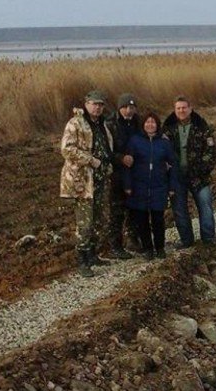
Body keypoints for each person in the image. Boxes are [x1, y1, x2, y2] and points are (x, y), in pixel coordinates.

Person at [60, 90, 114, 277]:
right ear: (86, 104)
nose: (98, 107)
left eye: (101, 104)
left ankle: (92, 254)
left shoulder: (101, 124)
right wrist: (90, 160)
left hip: (99, 180)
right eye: (94, 104)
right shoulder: (76, 123)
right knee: (85, 221)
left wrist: (107, 166)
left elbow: (107, 148)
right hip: (82, 180)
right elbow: (67, 149)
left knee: (99, 218)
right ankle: (82, 260)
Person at [162, 96, 216, 248]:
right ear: (175, 110)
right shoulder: (168, 128)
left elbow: (211, 153)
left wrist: (199, 170)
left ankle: (208, 238)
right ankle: (186, 240)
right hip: (176, 178)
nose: (181, 110)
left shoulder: (202, 127)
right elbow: (162, 153)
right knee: (179, 210)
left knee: (205, 206)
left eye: (184, 107)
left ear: (190, 109)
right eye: (178, 108)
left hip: (199, 177)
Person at [124, 111, 179, 259]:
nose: (150, 125)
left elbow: (173, 164)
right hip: (139, 186)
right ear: (143, 125)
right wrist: (128, 186)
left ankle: (160, 247)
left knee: (158, 219)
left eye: (153, 122)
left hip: (159, 186)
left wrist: (172, 187)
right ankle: (148, 248)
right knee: (141, 220)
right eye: (147, 122)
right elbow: (128, 164)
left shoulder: (164, 142)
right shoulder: (135, 141)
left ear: (157, 125)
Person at [107, 92, 141, 258]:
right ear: (119, 108)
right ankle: (115, 245)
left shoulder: (138, 122)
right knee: (117, 210)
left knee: (134, 207)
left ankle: (133, 239)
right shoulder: (110, 124)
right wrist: (121, 158)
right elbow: (105, 150)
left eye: (132, 107)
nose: (129, 110)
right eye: (126, 107)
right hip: (116, 173)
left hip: (134, 172)